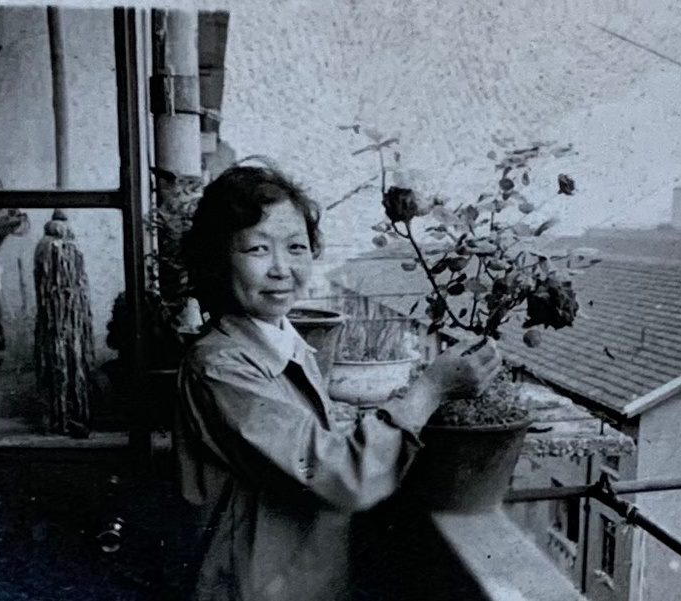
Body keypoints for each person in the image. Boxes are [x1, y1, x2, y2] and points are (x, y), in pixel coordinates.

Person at [175, 165, 501, 601]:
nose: (281, 269)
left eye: (296, 247)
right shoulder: (221, 367)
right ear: (216, 261)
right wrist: (430, 390)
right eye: (257, 249)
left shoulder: (280, 342)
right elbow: (343, 475)